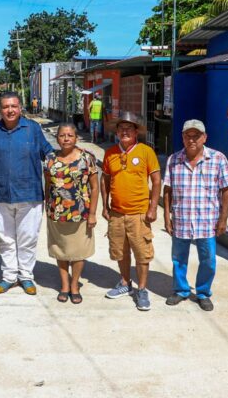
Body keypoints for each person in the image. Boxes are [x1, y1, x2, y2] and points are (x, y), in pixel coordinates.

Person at [0, 91, 54, 295]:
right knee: (6, 239)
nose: (9, 110)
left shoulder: (33, 129)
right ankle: (9, 276)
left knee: (28, 238)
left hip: (29, 194)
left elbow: (48, 153)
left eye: (13, 106)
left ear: (20, 107)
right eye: (5, 107)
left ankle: (26, 276)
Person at [163, 119, 228, 312]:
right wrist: (166, 218)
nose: (192, 139)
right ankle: (181, 290)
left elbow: (226, 190)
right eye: (188, 136)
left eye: (196, 136)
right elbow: (167, 190)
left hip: (207, 220)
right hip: (182, 218)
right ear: (183, 138)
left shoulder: (218, 159)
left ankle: (203, 293)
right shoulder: (174, 160)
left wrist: (223, 219)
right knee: (178, 258)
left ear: (205, 137)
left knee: (208, 259)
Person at [100, 112, 161, 311]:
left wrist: (152, 208)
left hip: (139, 213)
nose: (125, 132)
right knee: (120, 251)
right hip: (116, 213)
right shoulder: (110, 153)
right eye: (121, 129)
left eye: (129, 128)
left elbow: (157, 180)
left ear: (136, 132)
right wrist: (105, 206)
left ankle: (142, 289)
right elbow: (105, 180)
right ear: (117, 132)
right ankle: (125, 283)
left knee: (142, 253)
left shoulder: (146, 151)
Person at [44, 123, 99, 304]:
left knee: (78, 252)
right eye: (62, 135)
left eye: (70, 135)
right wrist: (47, 205)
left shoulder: (86, 158)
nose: (66, 139)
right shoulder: (50, 159)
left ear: (76, 138)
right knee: (60, 251)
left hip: (80, 213)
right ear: (57, 138)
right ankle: (64, 285)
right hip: (57, 212)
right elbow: (48, 184)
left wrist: (92, 214)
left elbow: (95, 187)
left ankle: (74, 285)